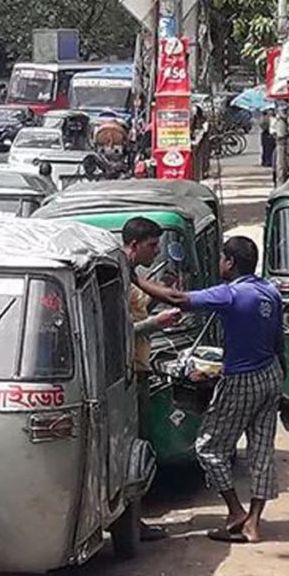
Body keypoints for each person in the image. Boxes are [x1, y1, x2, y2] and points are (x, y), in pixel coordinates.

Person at [139, 236, 283, 544]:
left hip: (242, 379)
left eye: (221, 258)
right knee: (261, 450)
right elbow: (277, 340)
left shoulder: (230, 294)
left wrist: (135, 281)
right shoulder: (269, 291)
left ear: (230, 263)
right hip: (271, 374)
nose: (219, 263)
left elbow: (177, 300)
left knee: (208, 446)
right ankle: (253, 523)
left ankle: (234, 512)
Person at [122, 217, 181, 542]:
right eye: (151, 246)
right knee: (136, 445)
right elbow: (121, 331)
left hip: (140, 367)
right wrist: (156, 324)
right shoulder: (120, 275)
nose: (156, 252)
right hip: (128, 372)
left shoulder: (133, 274)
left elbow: (141, 306)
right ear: (134, 245)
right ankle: (132, 522)